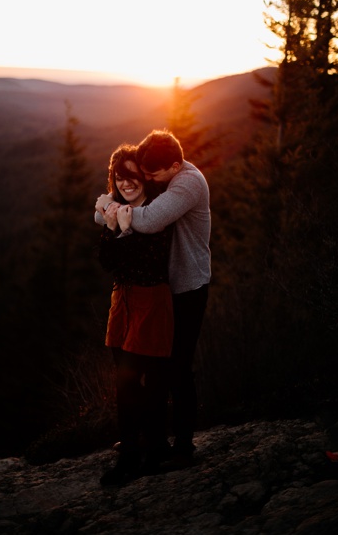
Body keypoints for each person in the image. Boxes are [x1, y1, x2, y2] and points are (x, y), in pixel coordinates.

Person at [96, 130, 211, 464]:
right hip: (162, 288)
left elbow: (148, 218)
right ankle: (151, 439)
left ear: (174, 165)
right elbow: (119, 208)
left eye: (151, 173)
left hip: (187, 287)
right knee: (159, 368)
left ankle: (184, 444)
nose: (146, 178)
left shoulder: (186, 183)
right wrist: (109, 206)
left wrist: (109, 208)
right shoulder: (167, 177)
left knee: (178, 367)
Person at [97, 145, 175, 486]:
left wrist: (123, 232)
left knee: (153, 384)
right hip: (122, 302)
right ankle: (130, 453)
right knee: (124, 384)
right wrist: (112, 227)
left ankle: (155, 449)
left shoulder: (155, 213)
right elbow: (107, 261)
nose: (126, 183)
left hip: (150, 302)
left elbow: (147, 264)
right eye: (119, 177)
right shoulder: (119, 208)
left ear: (143, 176)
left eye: (132, 175)